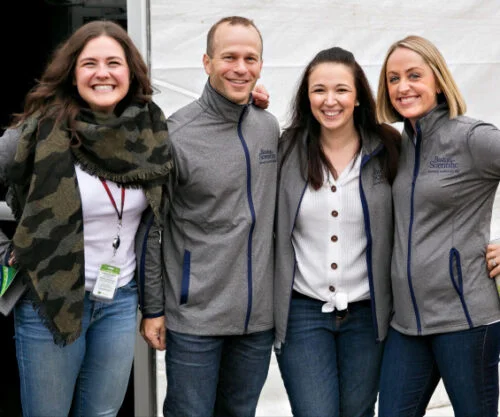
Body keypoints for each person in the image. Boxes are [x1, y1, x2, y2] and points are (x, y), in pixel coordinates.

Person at [0, 20, 172, 417]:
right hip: (50, 297)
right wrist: (5, 249)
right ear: (72, 73)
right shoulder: (37, 132)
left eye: (113, 63)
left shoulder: (152, 132)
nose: (102, 73)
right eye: (89, 63)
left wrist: (245, 106)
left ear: (131, 72)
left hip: (120, 299)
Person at [140, 16, 280, 417]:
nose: (241, 68)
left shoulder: (268, 128)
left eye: (250, 58)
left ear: (261, 65)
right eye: (229, 57)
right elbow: (152, 228)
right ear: (207, 62)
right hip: (195, 318)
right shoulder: (177, 134)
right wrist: (153, 308)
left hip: (257, 321)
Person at [376, 35, 500, 417]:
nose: (403, 87)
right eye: (393, 79)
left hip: (466, 321)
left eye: (414, 75)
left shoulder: (471, 137)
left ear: (439, 81)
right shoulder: (399, 145)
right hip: (407, 325)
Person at [273, 46, 400, 417]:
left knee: (359, 412)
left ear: (358, 96)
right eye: (319, 90)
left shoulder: (390, 147)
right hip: (302, 312)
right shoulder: (286, 148)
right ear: (307, 96)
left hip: (369, 314)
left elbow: (434, 204)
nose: (330, 100)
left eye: (341, 89)